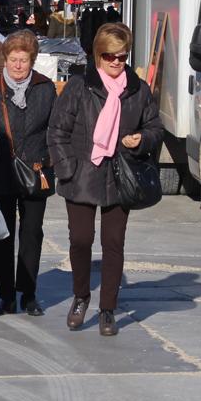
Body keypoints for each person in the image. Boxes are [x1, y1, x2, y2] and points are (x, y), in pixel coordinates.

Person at [48, 23, 163, 336]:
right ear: (99, 55)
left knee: (113, 243)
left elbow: (155, 128)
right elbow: (57, 130)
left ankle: (108, 308)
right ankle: (81, 295)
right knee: (81, 239)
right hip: (82, 174)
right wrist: (66, 168)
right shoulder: (79, 86)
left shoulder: (138, 90)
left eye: (122, 57)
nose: (116, 62)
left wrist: (141, 139)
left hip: (120, 176)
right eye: (110, 56)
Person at [0, 30, 57, 316]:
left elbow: (55, 128)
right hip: (0, 172)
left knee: (32, 233)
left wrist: (51, 159)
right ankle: (6, 294)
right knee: (2, 236)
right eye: (13, 59)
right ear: (5, 60)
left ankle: (28, 292)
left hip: (36, 170)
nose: (18, 66)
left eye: (23, 60)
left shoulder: (45, 88)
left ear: (32, 60)